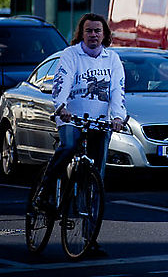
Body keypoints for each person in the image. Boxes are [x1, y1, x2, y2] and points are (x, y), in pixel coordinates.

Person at [35, 13, 126, 214]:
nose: (93, 35)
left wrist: (118, 117)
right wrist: (61, 107)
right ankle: (45, 191)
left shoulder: (112, 59)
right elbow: (62, 82)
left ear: (104, 34)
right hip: (71, 117)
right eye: (89, 31)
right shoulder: (70, 54)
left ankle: (89, 237)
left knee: (96, 173)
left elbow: (117, 90)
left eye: (97, 31)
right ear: (81, 33)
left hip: (99, 121)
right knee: (68, 146)